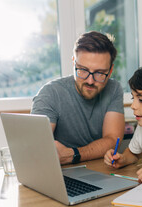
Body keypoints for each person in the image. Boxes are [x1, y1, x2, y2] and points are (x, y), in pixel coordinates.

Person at [31, 31, 125, 165]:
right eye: (83, 70)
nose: (90, 81)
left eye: (100, 73)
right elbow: (36, 148)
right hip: (61, 172)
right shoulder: (50, 93)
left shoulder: (114, 88)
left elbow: (111, 140)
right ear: (74, 63)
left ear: (110, 71)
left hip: (100, 169)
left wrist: (72, 154)